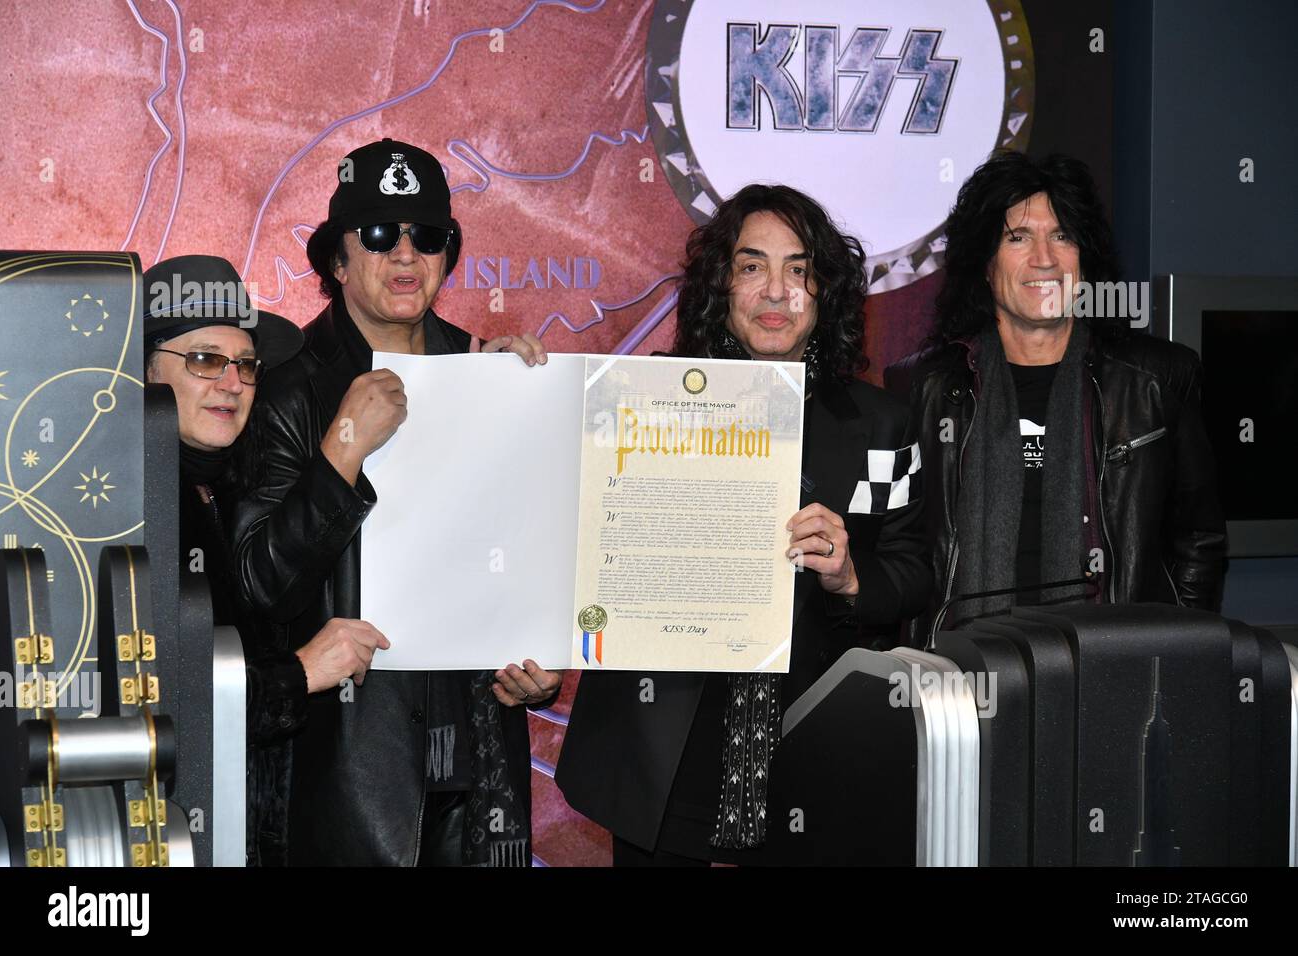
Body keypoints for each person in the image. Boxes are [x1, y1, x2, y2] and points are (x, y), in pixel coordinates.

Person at [555, 183, 932, 865]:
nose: (777, 292)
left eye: (799, 270)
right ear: (722, 287)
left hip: (812, 749)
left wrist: (851, 576)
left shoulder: (881, 426)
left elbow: (911, 573)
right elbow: (583, 548)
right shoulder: (652, 400)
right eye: (753, 267)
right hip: (663, 750)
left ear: (825, 292)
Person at [231, 139, 561, 866]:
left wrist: (542, 662)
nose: (406, 254)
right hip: (350, 767)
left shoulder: (495, 374)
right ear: (338, 262)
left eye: (428, 236)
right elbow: (259, 585)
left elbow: (533, 552)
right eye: (380, 235)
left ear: (448, 256)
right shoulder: (291, 389)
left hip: (480, 759)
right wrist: (342, 447)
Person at [885, 151, 1226, 626]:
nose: (1043, 259)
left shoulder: (1157, 381)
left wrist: (1174, 650)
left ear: (1084, 257)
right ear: (985, 263)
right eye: (1017, 237)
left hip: (1114, 669)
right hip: (962, 676)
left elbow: (1199, 542)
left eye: (1062, 236)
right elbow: (896, 551)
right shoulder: (922, 388)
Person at [143, 254, 386, 866]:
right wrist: (301, 673)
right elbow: (157, 712)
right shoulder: (122, 505)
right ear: (142, 367)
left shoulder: (239, 488)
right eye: (204, 360)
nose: (233, 382)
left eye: (246, 364)